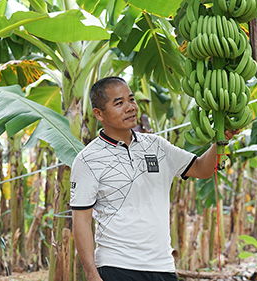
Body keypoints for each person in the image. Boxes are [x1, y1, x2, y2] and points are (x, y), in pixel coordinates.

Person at [70, 76, 239, 281]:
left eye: (131, 99)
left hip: (162, 265)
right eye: (119, 103)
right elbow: (81, 220)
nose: (130, 107)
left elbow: (202, 169)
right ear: (99, 113)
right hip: (116, 265)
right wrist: (91, 273)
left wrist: (222, 141)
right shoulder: (88, 159)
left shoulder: (157, 146)